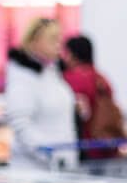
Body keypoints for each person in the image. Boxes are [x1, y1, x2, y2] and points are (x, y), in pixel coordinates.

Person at [5, 17, 77, 170]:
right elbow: (21, 124)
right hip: (33, 173)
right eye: (52, 39)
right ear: (34, 41)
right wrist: (50, 154)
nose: (59, 45)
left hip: (60, 168)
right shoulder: (22, 77)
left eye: (59, 39)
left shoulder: (52, 72)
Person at [63, 35, 126, 159]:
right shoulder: (101, 78)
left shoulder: (70, 79)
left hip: (85, 145)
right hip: (107, 142)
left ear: (71, 54)